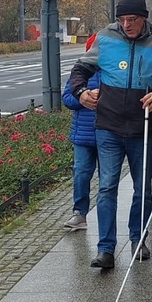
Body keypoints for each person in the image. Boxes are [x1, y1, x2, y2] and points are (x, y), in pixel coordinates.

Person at [69, 0, 152, 269]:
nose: (126, 25)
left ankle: (138, 239)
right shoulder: (105, 38)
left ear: (144, 18)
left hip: (144, 127)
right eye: (122, 20)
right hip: (109, 126)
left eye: (132, 19)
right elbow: (80, 69)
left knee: (142, 188)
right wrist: (80, 92)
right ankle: (105, 249)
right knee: (107, 186)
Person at [61, 34, 100, 230]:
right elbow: (67, 98)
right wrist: (83, 97)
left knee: (108, 179)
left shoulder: (114, 71)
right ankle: (79, 213)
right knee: (81, 174)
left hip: (107, 133)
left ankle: (105, 214)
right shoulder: (81, 72)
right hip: (83, 135)